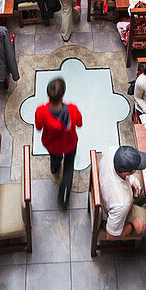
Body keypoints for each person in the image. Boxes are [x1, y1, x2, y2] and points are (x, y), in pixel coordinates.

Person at [34, 77, 83, 208]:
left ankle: (54, 168)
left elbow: (38, 127)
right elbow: (79, 123)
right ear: (63, 94)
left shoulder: (41, 111)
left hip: (51, 144)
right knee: (68, 167)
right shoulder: (72, 109)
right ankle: (64, 198)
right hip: (69, 143)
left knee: (55, 158)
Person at [98, 145, 146, 239]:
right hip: (115, 214)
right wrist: (133, 227)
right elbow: (110, 236)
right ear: (126, 172)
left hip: (113, 192)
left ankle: (142, 202)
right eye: (136, 168)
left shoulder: (112, 151)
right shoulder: (122, 203)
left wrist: (130, 178)